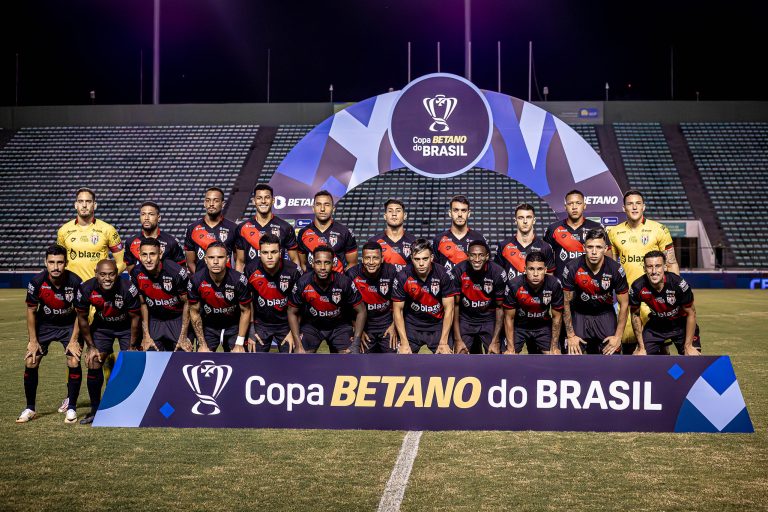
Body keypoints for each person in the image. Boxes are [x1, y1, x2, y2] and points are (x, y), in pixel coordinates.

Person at [17, 245, 83, 424]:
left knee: (74, 359)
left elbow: (80, 313)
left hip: (70, 325)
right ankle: (30, 408)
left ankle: (71, 408)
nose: (56, 267)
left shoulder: (75, 281)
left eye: (60, 262)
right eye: (52, 262)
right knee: (31, 360)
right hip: (45, 325)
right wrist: (32, 341)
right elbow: (31, 311)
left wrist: (74, 340)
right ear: (46, 262)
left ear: (66, 263)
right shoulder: (37, 282)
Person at [607, 190, 678, 352]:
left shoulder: (659, 229)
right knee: (629, 346)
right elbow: (610, 267)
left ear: (643, 207)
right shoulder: (613, 232)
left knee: (660, 347)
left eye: (638, 203)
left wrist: (674, 292)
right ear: (623, 207)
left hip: (655, 296)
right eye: (630, 204)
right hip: (627, 297)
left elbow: (672, 262)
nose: (634, 207)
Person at [74, 259, 141, 424]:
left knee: (132, 363)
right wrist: (90, 347)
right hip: (102, 327)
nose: (107, 278)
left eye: (111, 274)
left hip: (126, 327)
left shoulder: (128, 288)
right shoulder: (86, 288)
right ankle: (96, 410)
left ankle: (131, 408)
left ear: (117, 274)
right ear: (96, 273)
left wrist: (132, 346)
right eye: (103, 274)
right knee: (94, 361)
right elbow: (82, 319)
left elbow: (135, 318)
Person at [561, 229, 629, 355]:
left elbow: (624, 304)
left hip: (605, 315)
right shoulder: (572, 268)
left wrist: (618, 337)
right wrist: (570, 335)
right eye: (590, 247)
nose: (594, 252)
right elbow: (565, 303)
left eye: (598, 247)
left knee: (612, 355)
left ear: (605, 248)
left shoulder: (615, 269)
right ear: (583, 248)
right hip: (579, 315)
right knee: (572, 354)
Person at [287, 246, 367, 354]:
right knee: (301, 356)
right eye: (318, 262)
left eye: (327, 263)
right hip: (312, 326)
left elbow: (361, 311)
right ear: (312, 263)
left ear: (333, 264)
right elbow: (291, 312)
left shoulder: (344, 282)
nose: (323, 267)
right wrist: (298, 344)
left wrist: (356, 343)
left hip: (339, 326)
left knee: (350, 357)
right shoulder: (303, 282)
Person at [392, 239, 458, 354]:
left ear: (431, 258)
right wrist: (403, 342)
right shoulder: (403, 276)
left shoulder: (443, 274)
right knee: (403, 361)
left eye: (425, 259)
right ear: (412, 258)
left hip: (437, 324)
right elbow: (398, 310)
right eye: (417, 259)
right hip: (412, 325)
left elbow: (449, 309)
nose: (421, 263)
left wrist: (443, 342)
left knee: (446, 362)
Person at [629, 250, 701, 356]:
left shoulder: (678, 284)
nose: (654, 271)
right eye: (649, 266)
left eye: (658, 266)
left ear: (665, 267)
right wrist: (641, 346)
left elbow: (691, 313)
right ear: (644, 269)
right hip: (656, 326)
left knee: (692, 357)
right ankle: (661, 354)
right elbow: (635, 314)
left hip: (681, 325)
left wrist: (688, 346)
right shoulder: (637, 286)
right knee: (639, 357)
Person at [130, 238, 192, 352]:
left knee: (182, 354)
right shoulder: (136, 273)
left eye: (152, 254)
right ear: (139, 255)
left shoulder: (175, 272)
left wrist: (183, 336)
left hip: (177, 318)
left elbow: (187, 302)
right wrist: (146, 335)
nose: (148, 259)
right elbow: (143, 304)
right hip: (155, 319)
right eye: (144, 255)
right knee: (150, 353)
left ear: (160, 254)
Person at [187, 242, 252, 352]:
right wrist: (202, 344)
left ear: (227, 259)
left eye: (220, 257)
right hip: (209, 326)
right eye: (211, 257)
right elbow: (194, 312)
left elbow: (245, 311)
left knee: (239, 358)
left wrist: (239, 343)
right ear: (205, 259)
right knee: (202, 357)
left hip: (234, 326)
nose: (215, 262)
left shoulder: (239, 280)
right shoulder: (196, 280)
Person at [244, 234, 301, 353]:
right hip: (261, 324)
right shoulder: (250, 269)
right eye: (265, 253)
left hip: (286, 324)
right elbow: (247, 302)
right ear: (259, 253)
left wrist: (293, 333)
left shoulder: (293, 271)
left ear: (280, 252)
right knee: (254, 360)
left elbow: (301, 305)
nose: (269, 257)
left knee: (292, 361)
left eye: (274, 252)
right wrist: (251, 330)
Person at [56, 187, 126, 281]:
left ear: (95, 205)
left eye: (88, 201)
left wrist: (107, 278)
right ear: (76, 205)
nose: (84, 205)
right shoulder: (63, 230)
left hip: (98, 289)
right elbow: (59, 261)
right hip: (73, 288)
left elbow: (123, 262)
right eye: (80, 201)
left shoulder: (108, 230)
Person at [452, 240, 507, 354]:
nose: (477, 260)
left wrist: (496, 340)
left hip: (489, 319)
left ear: (487, 256)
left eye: (481, 255)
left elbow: (500, 307)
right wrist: (458, 339)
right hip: (466, 319)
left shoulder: (498, 272)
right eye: (473, 255)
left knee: (494, 355)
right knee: (460, 354)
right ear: (467, 256)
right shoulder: (458, 271)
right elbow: (455, 306)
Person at [502, 252, 564, 355]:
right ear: (525, 270)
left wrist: (554, 347)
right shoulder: (514, 285)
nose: (535, 274)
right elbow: (509, 318)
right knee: (508, 356)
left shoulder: (554, 284)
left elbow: (557, 317)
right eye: (531, 269)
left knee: (554, 356)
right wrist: (510, 348)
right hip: (519, 326)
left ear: (545, 270)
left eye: (539, 269)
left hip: (543, 326)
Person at [346, 242, 399, 353]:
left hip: (386, 323)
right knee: (360, 358)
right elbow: (346, 307)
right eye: (367, 258)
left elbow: (399, 302)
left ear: (382, 259)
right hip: (365, 324)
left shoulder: (392, 271)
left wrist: (394, 326)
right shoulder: (352, 274)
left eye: (375, 258)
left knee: (394, 357)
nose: (371, 262)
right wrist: (358, 329)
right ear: (362, 259)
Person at [544, 189, 608, 279]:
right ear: (565, 206)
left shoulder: (597, 228)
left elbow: (608, 257)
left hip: (590, 284)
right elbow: (546, 260)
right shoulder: (553, 229)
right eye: (570, 203)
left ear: (584, 206)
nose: (574, 207)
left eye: (578, 203)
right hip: (562, 285)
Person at [235, 184, 300, 271]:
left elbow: (294, 259)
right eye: (259, 198)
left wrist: (295, 279)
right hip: (251, 281)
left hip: (278, 280)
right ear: (253, 201)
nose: (263, 201)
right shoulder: (242, 228)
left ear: (273, 200)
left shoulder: (285, 227)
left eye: (267, 197)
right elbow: (240, 261)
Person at [296, 190, 358, 273]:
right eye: (318, 205)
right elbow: (302, 264)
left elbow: (352, 264)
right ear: (313, 208)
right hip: (312, 284)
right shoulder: (303, 233)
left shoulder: (345, 232)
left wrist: (342, 281)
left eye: (327, 205)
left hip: (337, 284)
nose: (322, 209)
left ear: (333, 209)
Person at [183, 187, 238, 273]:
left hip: (227, 282)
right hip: (202, 283)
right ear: (204, 203)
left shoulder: (233, 228)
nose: (211, 204)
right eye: (208, 200)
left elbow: (238, 260)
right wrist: (199, 280)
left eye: (216, 200)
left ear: (222, 204)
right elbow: (190, 262)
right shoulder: (192, 229)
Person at [495, 203, 555, 280]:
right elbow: (497, 277)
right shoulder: (503, 246)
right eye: (521, 218)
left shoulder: (545, 247)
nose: (525, 221)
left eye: (529, 217)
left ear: (534, 220)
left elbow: (549, 280)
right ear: (515, 221)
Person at [124, 201, 185, 273]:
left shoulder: (172, 242)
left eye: (151, 214)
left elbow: (181, 269)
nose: (146, 218)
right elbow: (130, 270)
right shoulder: (130, 242)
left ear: (158, 218)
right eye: (143, 214)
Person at [432, 195, 487, 272]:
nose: (460, 214)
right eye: (456, 210)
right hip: (447, 284)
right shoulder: (438, 239)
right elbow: (434, 270)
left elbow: (487, 269)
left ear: (469, 213)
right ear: (450, 213)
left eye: (463, 210)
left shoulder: (479, 238)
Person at [368, 199, 416, 272]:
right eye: (390, 211)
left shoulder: (414, 242)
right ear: (385, 216)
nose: (394, 214)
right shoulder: (374, 242)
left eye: (398, 211)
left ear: (405, 216)